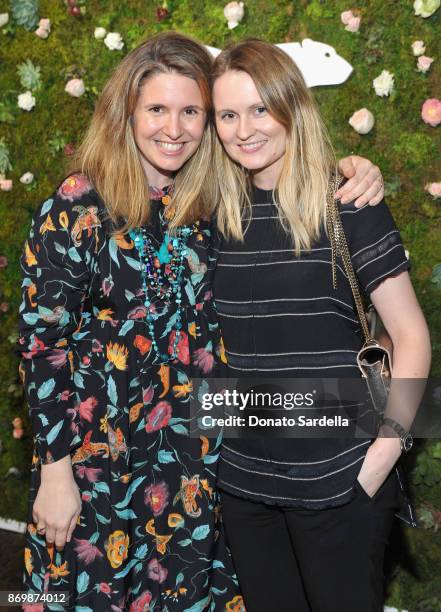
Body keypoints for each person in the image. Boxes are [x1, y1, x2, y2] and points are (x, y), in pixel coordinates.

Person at [16, 30, 386, 610]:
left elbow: (283, 167)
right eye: (157, 109)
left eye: (191, 111)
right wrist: (54, 472)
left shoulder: (211, 204)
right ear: (126, 113)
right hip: (96, 468)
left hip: (197, 469)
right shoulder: (76, 206)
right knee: (65, 595)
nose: (174, 127)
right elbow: (42, 346)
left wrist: (352, 168)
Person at [210, 39, 431, 612]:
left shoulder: (348, 202)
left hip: (341, 474)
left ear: (292, 107)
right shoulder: (213, 210)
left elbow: (410, 335)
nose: (244, 129)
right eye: (229, 114)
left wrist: (384, 452)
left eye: (260, 109)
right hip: (244, 480)